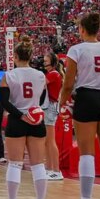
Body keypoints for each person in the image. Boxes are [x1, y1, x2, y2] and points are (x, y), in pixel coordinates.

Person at [58, 12, 100, 199]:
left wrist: (62, 103)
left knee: (87, 153)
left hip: (86, 97)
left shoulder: (76, 49)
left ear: (82, 29)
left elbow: (68, 83)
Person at [0, 35, 49, 199]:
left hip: (17, 120)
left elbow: (4, 101)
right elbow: (42, 99)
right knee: (38, 165)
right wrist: (32, 111)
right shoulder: (40, 75)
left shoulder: (9, 75)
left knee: (14, 164)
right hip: (36, 121)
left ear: (15, 56)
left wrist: (21, 115)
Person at [43, 52, 64, 180]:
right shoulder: (52, 74)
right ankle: (49, 168)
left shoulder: (53, 74)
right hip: (48, 106)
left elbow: (40, 84)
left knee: (50, 141)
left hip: (50, 106)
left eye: (46, 61)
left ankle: (56, 170)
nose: (44, 63)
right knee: (47, 141)